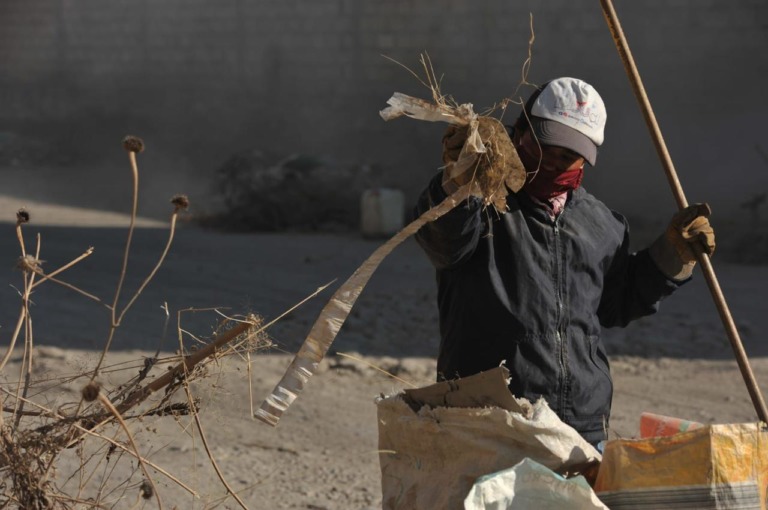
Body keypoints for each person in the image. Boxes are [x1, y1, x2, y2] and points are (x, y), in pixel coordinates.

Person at [413, 77, 715, 446]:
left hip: (581, 424)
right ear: (520, 132)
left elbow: (615, 306)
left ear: (587, 157)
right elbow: (443, 245)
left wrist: (672, 256)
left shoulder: (603, 224)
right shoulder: (483, 203)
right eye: (546, 146)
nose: (554, 161)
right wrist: (458, 184)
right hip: (492, 417)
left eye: (568, 155)